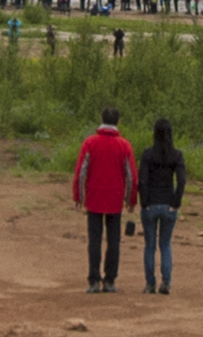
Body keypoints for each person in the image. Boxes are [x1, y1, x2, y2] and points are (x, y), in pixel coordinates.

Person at [72, 107, 138, 293]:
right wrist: (130, 199)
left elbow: (80, 172)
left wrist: (78, 195)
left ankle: (93, 280)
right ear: (118, 121)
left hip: (94, 198)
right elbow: (132, 176)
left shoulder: (90, 143)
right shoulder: (124, 145)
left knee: (94, 240)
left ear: (101, 119)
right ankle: (109, 280)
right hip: (115, 200)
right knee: (114, 241)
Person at [138, 118, 186, 295]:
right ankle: (166, 283)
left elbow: (143, 180)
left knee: (149, 245)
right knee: (165, 245)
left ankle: (150, 284)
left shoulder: (148, 154)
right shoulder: (176, 155)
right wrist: (176, 202)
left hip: (151, 204)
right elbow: (181, 180)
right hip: (168, 205)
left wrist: (144, 202)